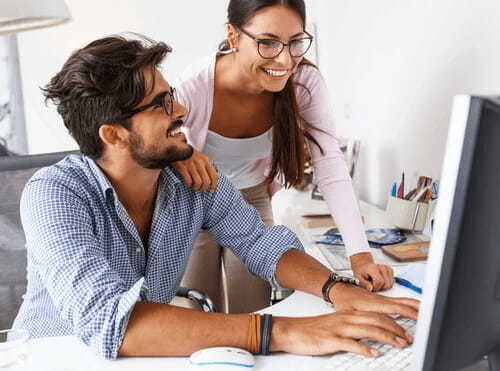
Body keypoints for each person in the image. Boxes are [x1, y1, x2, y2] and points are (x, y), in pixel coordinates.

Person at [12, 35, 418, 360]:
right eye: (162, 103)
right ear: (114, 135)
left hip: (144, 359)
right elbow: (110, 323)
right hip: (59, 357)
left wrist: (337, 289)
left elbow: (261, 244)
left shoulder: (191, 177)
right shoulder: (54, 195)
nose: (183, 109)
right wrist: (286, 333)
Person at [173, 0, 393, 314]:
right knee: (192, 306)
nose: (285, 59)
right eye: (267, 42)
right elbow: (159, 146)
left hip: (251, 201)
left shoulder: (304, 82)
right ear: (233, 36)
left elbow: (329, 163)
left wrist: (360, 255)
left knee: (253, 308)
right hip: (194, 200)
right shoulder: (194, 86)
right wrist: (181, 152)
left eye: (295, 42)